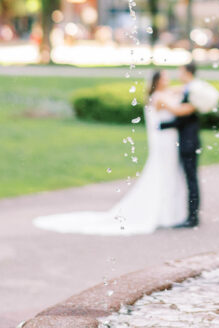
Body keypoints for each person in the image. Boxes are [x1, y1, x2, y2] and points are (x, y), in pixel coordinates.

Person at [32, 69, 189, 235]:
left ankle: (170, 212)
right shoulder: (159, 98)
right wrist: (198, 103)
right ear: (158, 81)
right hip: (165, 143)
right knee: (164, 173)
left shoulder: (161, 95)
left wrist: (189, 88)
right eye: (164, 77)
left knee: (169, 174)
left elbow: (177, 90)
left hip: (168, 141)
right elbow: (179, 110)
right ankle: (165, 213)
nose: (168, 80)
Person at [159, 62, 201, 228]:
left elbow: (183, 116)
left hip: (189, 141)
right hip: (186, 140)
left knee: (191, 179)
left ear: (187, 72)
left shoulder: (194, 92)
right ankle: (188, 214)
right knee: (188, 178)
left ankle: (193, 216)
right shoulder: (189, 89)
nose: (178, 74)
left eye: (180, 71)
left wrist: (163, 125)